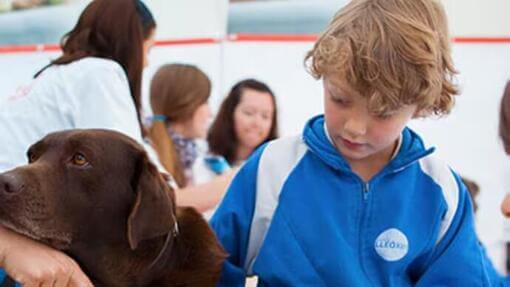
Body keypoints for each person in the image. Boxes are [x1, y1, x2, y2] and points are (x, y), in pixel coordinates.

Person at [210, 0, 492, 285]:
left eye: (383, 112)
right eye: (340, 99)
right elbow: (209, 269)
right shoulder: (273, 168)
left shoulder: (441, 190)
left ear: (420, 105)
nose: (355, 128)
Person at [0, 0, 228, 285]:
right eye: (149, 48)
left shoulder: (49, 76)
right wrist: (227, 185)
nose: (146, 61)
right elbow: (143, 186)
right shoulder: (101, 73)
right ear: (134, 42)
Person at [147, 63, 231, 218]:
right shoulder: (146, 153)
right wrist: (233, 179)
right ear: (188, 104)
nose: (210, 113)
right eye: (205, 102)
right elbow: (166, 204)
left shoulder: (207, 160)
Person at [207, 79, 279, 167]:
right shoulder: (204, 156)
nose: (257, 123)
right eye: (249, 113)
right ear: (230, 112)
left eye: (265, 116)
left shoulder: (276, 166)